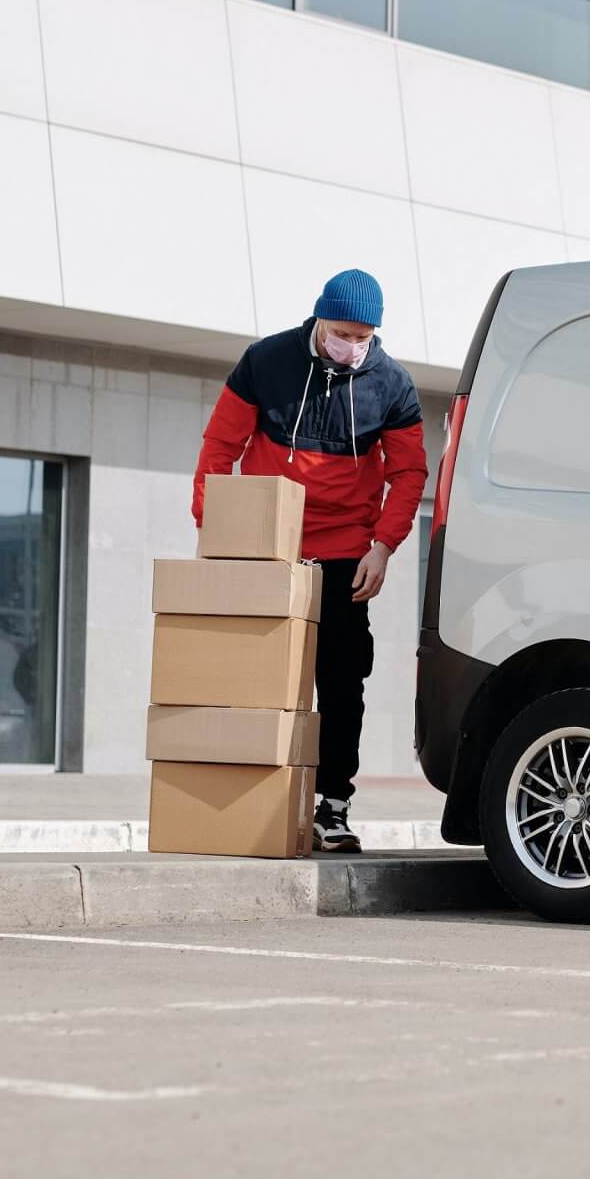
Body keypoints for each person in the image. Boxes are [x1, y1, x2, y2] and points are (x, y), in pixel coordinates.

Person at [194, 269, 427, 853]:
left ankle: (334, 807)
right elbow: (220, 447)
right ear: (320, 321)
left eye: (365, 336)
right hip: (269, 545)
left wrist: (384, 546)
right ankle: (245, 796)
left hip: (347, 552)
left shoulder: (393, 385)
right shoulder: (265, 361)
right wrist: (215, 526)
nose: (354, 346)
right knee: (254, 679)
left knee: (343, 683)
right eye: (344, 333)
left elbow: (409, 474)